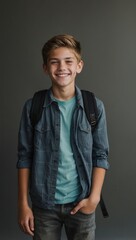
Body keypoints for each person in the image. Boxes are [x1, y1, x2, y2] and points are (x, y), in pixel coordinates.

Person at [17, 34, 109, 240]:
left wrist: (93, 198)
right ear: (45, 68)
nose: (62, 68)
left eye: (68, 61)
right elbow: (24, 157)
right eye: (54, 62)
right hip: (43, 206)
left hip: (81, 203)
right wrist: (23, 204)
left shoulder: (94, 107)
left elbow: (100, 155)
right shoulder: (33, 107)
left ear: (79, 66)